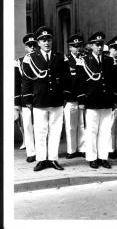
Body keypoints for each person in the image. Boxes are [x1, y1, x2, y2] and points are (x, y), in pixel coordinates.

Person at [22, 26, 71, 171]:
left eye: (48, 39)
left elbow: (67, 78)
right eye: (43, 40)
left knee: (55, 130)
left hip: (56, 100)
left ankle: (53, 159)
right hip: (40, 100)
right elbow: (26, 81)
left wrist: (66, 96)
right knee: (40, 131)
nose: (46, 42)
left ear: (52, 40)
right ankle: (42, 159)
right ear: (38, 42)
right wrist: (28, 100)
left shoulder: (60, 56)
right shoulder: (30, 58)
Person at [76, 31, 117, 169]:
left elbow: (112, 82)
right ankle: (92, 157)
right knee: (92, 131)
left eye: (101, 44)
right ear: (91, 46)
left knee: (105, 131)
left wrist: (113, 100)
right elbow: (80, 82)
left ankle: (103, 157)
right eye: (96, 44)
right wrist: (81, 101)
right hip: (92, 101)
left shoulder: (109, 60)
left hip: (106, 101)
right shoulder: (84, 60)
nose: (99, 47)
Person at [15, 33, 37, 162]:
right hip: (25, 100)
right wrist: (16, 102)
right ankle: (31, 152)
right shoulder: (19, 62)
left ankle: (41, 151)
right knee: (27, 126)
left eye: (34, 45)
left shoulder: (41, 60)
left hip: (40, 98)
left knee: (41, 127)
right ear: (26, 47)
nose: (32, 48)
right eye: (30, 45)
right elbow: (16, 84)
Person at [64, 34, 86, 159]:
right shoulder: (66, 61)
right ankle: (71, 150)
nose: (78, 49)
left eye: (79, 46)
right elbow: (63, 80)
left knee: (82, 125)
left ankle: (82, 148)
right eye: (75, 46)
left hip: (82, 99)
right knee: (71, 126)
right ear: (70, 48)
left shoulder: (84, 59)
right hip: (71, 98)